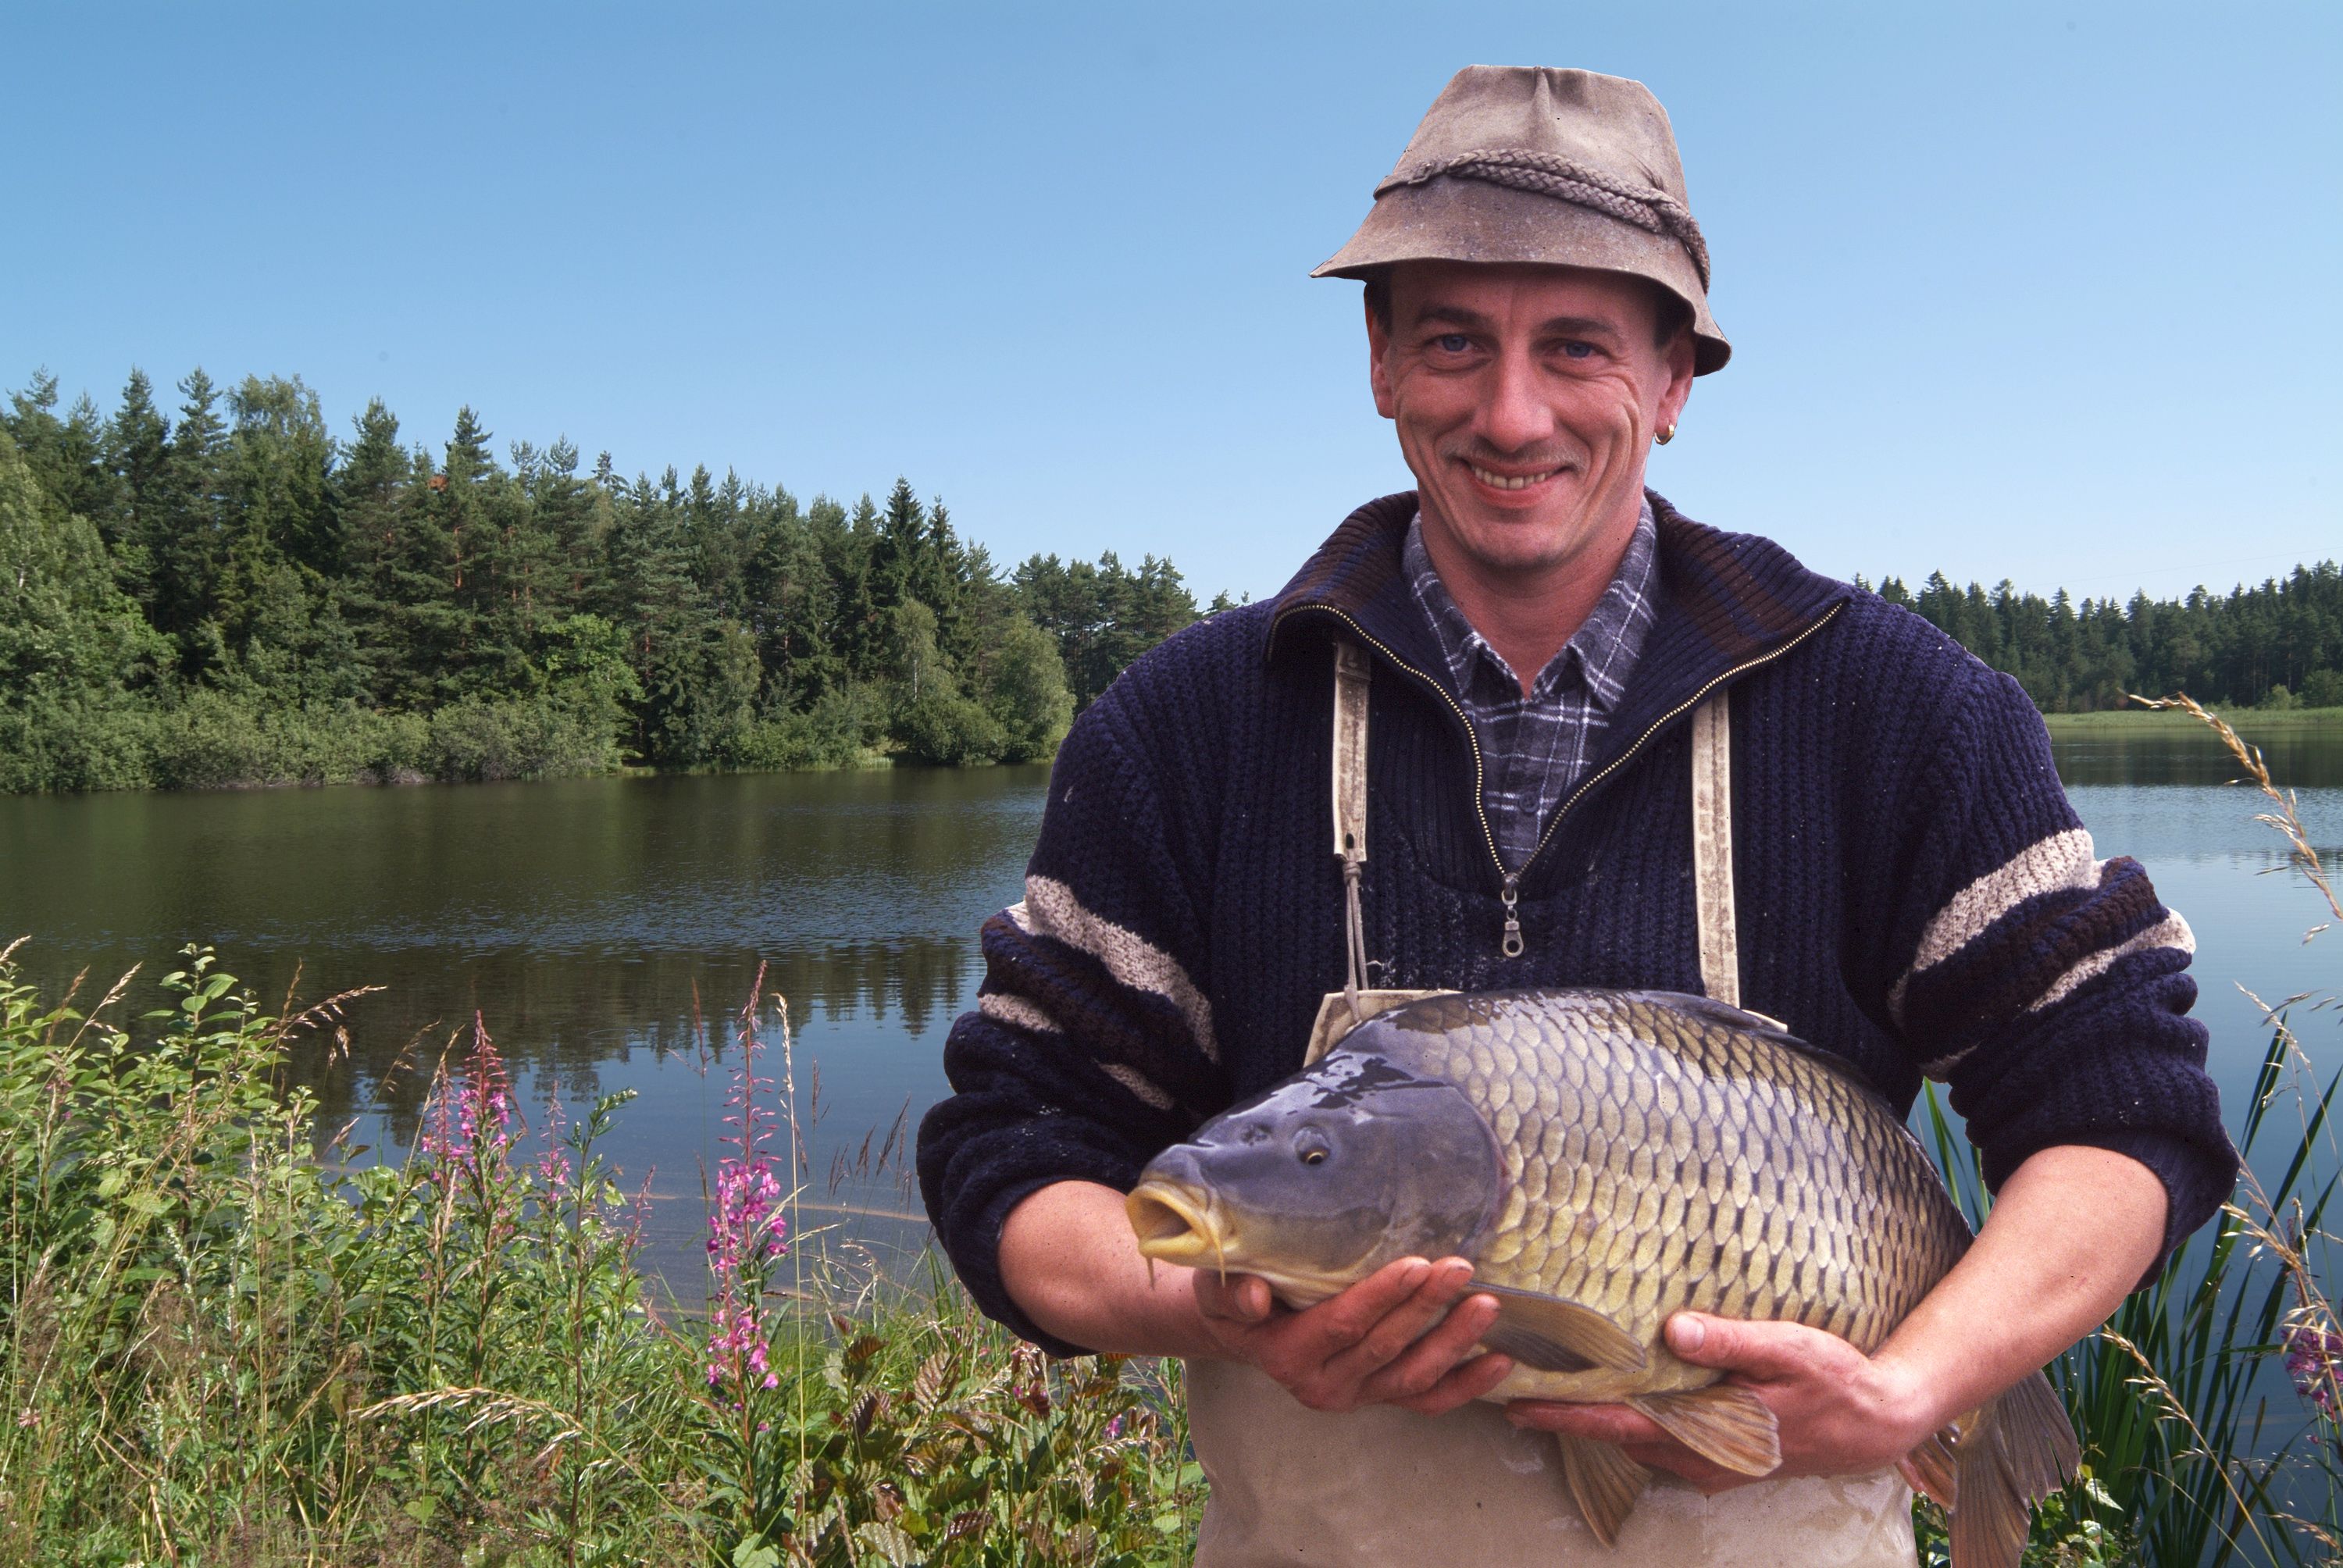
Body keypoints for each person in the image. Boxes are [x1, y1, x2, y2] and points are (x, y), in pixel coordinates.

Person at [916, 65, 2234, 1563]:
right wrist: (1200, 1304)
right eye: (1455, 342)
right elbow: (1010, 1153)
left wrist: (1915, 1385)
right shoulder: (1185, 728)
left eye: (1578, 347)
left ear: (1674, 381)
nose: (1513, 411)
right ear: (1381, 364)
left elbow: (2124, 1113)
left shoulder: (1902, 714)